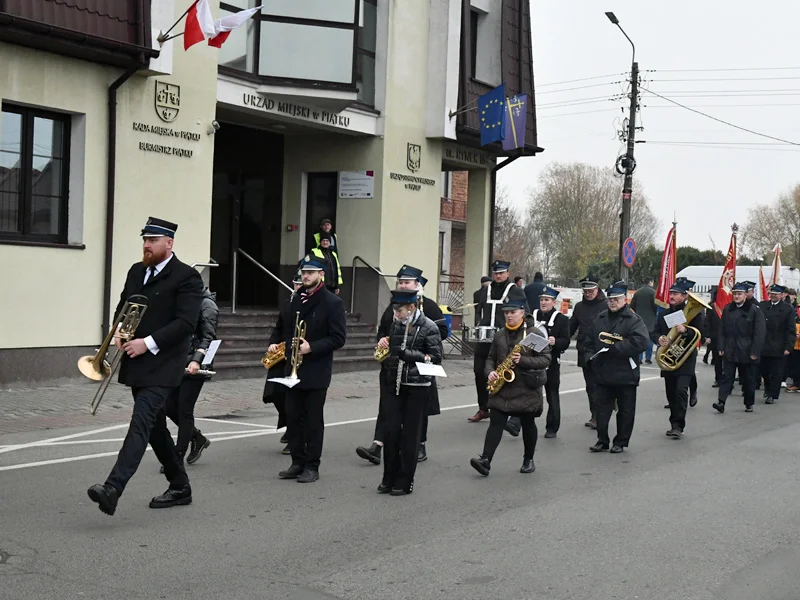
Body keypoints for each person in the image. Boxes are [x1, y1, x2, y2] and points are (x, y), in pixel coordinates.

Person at [87, 217, 203, 516]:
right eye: (145, 240)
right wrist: (119, 331)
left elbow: (186, 323)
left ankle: (113, 488)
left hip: (164, 364)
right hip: (136, 362)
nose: (147, 245)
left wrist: (147, 342)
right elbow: (124, 306)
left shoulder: (187, 276)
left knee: (140, 422)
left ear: (169, 243)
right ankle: (180, 485)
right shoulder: (136, 271)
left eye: (153, 240)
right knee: (154, 428)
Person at [356, 265, 447, 465]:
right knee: (387, 405)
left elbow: (442, 332)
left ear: (417, 285)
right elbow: (383, 329)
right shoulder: (393, 306)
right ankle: (378, 445)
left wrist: (418, 340)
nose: (403, 285)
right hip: (392, 365)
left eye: (407, 282)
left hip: (418, 366)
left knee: (419, 407)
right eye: (400, 282)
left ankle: (420, 444)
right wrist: (382, 340)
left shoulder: (429, 306)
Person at [272, 255, 347, 483]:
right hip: (292, 370)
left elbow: (338, 338)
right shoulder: (295, 300)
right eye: (304, 272)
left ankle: (312, 466)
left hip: (315, 371)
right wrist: (277, 344)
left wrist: (311, 347)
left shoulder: (332, 303)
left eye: (311, 272)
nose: (306, 276)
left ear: (321, 275)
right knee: (293, 417)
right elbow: (283, 328)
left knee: (313, 421)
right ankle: (297, 461)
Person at [469, 288, 551, 476]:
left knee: (528, 425)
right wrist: (490, 372)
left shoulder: (533, 334)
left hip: (526, 389)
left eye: (512, 312)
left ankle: (528, 459)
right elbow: (490, 358)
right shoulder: (499, 335)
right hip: (503, 389)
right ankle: (485, 460)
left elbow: (546, 359)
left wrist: (522, 361)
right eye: (506, 313)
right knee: (496, 423)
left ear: (522, 312)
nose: (509, 316)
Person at [378, 289, 443, 496]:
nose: (396, 315)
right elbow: (393, 353)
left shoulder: (429, 327)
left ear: (412, 307)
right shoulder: (396, 324)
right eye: (395, 311)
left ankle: (405, 480)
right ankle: (388, 477)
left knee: (410, 435)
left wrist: (410, 355)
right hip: (394, 384)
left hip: (417, 387)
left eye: (400, 311)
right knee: (391, 432)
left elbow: (435, 357)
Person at [584, 280, 649, 453]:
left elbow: (641, 341)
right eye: (610, 299)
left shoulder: (634, 319)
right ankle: (602, 440)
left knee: (626, 411)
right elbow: (589, 341)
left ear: (625, 299)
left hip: (625, 372)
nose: (613, 302)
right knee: (602, 410)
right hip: (603, 372)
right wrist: (589, 356)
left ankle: (620, 442)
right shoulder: (600, 318)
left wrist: (615, 348)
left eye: (617, 299)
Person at [161, 285, 218, 470]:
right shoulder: (186, 302)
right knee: (169, 406)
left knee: (185, 409)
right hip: (179, 361)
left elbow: (208, 337)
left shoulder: (207, 305)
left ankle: (177, 456)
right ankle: (197, 437)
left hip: (196, 364)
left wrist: (197, 360)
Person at [506, 285, 570, 439]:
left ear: (554, 302)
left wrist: (556, 342)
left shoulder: (561, 319)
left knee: (551, 394)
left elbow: (566, 341)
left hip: (551, 362)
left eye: (547, 300)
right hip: (530, 359)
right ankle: (515, 423)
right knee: (524, 391)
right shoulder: (530, 315)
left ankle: (552, 427)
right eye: (541, 300)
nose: (543, 303)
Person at [651, 278, 704, 439]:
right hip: (669, 358)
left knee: (681, 390)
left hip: (686, 358)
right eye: (671, 293)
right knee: (671, 393)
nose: (672, 296)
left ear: (684, 296)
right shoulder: (664, 314)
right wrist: (659, 339)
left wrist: (686, 330)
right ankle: (673, 421)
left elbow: (701, 331)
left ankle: (678, 425)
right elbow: (654, 332)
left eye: (675, 294)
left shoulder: (696, 313)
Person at [468, 260, 520, 423]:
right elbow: (479, 308)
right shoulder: (486, 289)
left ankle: (505, 409)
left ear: (507, 274)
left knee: (503, 374)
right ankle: (484, 408)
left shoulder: (515, 290)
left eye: (501, 273)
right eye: (496, 273)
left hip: (504, 337)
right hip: (484, 338)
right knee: (479, 371)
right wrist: (478, 323)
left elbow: (523, 312)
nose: (498, 276)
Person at [263, 269, 303, 455]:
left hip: (299, 356)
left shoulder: (308, 305)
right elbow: (279, 327)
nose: (298, 287)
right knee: (274, 393)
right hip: (281, 354)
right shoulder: (288, 303)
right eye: (296, 283)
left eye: (301, 283)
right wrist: (272, 343)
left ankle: (294, 434)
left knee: (292, 398)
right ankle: (288, 423)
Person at [713, 282, 766, 414]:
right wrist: (721, 346)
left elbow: (759, 333)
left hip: (747, 351)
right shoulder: (728, 309)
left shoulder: (754, 310)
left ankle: (749, 403)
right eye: (735, 294)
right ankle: (721, 402)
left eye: (739, 294)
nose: (736, 296)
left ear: (745, 295)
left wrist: (755, 351)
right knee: (726, 377)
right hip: (730, 349)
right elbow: (722, 330)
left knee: (748, 380)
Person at [569, 274, 607, 429]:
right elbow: (571, 327)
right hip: (584, 350)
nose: (588, 294)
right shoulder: (579, 307)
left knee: (601, 385)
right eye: (586, 291)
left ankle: (601, 414)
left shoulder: (606, 305)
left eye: (591, 290)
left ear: (597, 289)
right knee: (590, 385)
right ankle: (595, 415)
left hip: (602, 351)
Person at [758, 284, 795, 404]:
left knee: (776, 372)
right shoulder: (762, 306)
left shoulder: (787, 309)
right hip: (763, 344)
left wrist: (789, 346)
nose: (773, 295)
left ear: (781, 295)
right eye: (771, 293)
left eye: (775, 293)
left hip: (778, 345)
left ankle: (772, 394)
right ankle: (768, 388)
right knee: (764, 370)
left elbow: (790, 330)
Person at [630, 276, 657, 364]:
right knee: (649, 339)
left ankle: (639, 358)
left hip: (639, 319)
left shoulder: (638, 292)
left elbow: (632, 305)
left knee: (640, 339)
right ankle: (648, 358)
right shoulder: (653, 292)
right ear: (650, 282)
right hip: (651, 319)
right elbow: (656, 306)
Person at [705, 288, 723, 387]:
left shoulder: (729, 306)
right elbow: (707, 322)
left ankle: (727, 381)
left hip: (728, 338)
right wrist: (707, 336)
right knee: (717, 360)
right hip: (715, 336)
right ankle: (718, 379)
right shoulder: (712, 307)